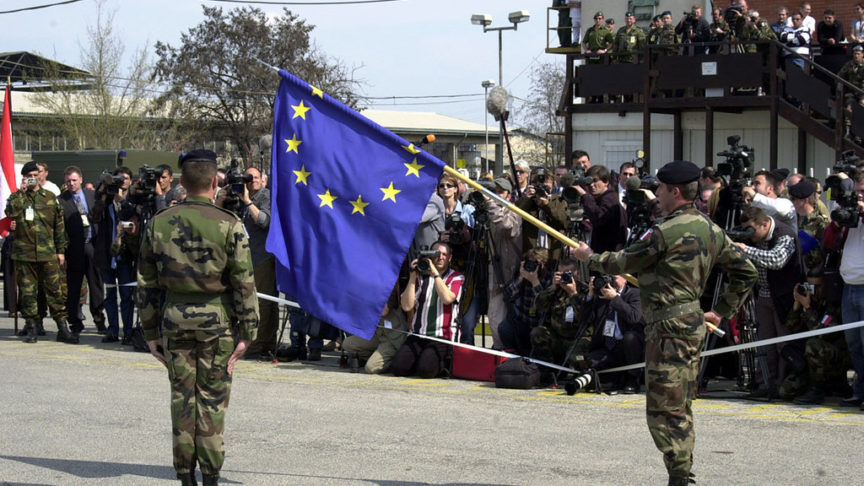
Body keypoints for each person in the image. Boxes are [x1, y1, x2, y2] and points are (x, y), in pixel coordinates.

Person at [572, 160, 757, 486]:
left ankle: (680, 475)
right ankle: (681, 472)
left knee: (663, 410)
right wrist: (722, 310)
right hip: (689, 324)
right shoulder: (711, 229)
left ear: (674, 191)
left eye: (660, 188)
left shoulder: (664, 232)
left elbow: (623, 260)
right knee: (680, 405)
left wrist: (590, 257)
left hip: (668, 329)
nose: (656, 194)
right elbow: (747, 271)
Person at [137, 149, 259, 486]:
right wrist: (248, 333)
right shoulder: (229, 224)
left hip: (174, 320)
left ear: (181, 182)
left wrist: (149, 332)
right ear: (214, 181)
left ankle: (184, 475)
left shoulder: (158, 223)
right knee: (212, 400)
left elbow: (146, 284)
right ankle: (210, 475)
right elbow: (244, 283)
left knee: (182, 398)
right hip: (217, 324)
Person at [735, 206, 804, 393]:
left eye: (752, 230)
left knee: (784, 343)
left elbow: (776, 260)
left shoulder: (784, 234)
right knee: (765, 343)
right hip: (763, 294)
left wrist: (745, 250)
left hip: (785, 297)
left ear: (764, 224)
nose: (750, 235)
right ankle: (765, 382)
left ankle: (784, 385)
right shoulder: (755, 238)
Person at [6, 161, 76, 344]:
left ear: (40, 176)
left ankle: (62, 327)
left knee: (55, 291)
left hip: (48, 253)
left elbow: (59, 227)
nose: (32, 179)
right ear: (25, 178)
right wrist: (20, 192)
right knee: (28, 293)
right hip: (25, 254)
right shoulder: (18, 198)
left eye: (35, 175)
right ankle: (31, 327)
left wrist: (61, 251)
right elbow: (10, 212)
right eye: (28, 176)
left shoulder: (51, 198)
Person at [822, 170, 864, 408]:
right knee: (855, 345)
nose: (858, 197)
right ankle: (859, 391)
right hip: (849, 286)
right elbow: (828, 243)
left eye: (863, 192)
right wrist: (837, 222)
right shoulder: (850, 216)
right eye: (856, 191)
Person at [393, 241, 464, 378]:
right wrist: (413, 275)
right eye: (437, 254)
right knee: (398, 368)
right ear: (430, 256)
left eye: (444, 254)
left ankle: (440, 364)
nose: (440, 257)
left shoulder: (456, 277)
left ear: (450, 258)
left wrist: (435, 274)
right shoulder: (421, 277)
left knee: (425, 371)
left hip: (443, 337)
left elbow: (447, 299)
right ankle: (421, 360)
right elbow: (407, 306)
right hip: (419, 334)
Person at [59, 165, 106, 338]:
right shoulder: (61, 200)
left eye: (73, 180)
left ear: (81, 180)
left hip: (93, 245)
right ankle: (75, 322)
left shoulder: (92, 196)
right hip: (74, 248)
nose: (71, 184)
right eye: (68, 181)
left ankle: (99, 320)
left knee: (96, 284)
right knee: (74, 287)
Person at [91, 166, 137, 344]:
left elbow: (134, 216)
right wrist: (103, 194)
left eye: (124, 178)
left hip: (125, 256)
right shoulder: (105, 199)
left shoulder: (132, 199)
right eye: (118, 178)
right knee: (110, 295)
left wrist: (122, 200)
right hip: (107, 255)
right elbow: (94, 216)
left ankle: (127, 332)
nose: (121, 181)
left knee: (126, 295)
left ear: (130, 180)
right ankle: (112, 330)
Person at [238, 166, 278, 360]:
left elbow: (264, 221)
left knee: (263, 302)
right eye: (248, 177)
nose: (251, 180)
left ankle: (261, 342)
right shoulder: (242, 195)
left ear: (262, 180)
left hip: (263, 257)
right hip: (247, 258)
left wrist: (247, 202)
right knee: (252, 302)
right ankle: (263, 342)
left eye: (255, 177)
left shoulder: (265, 196)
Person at [583, 274, 644, 393]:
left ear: (625, 279)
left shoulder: (635, 294)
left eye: (614, 278)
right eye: (608, 277)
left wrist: (615, 298)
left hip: (628, 347)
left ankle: (633, 378)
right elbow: (584, 319)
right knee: (591, 362)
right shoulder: (601, 296)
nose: (611, 281)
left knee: (630, 338)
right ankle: (614, 379)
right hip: (608, 347)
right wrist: (590, 295)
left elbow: (634, 317)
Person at [530, 258, 589, 372]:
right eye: (561, 274)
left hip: (579, 338)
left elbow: (586, 315)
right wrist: (552, 288)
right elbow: (539, 306)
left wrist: (573, 294)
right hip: (559, 337)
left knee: (576, 358)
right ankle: (549, 371)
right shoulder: (556, 290)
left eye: (568, 274)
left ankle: (582, 375)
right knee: (538, 333)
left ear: (578, 273)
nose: (565, 277)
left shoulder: (585, 290)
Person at [487, 178, 522, 349]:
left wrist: (490, 204)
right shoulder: (488, 210)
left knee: (497, 318)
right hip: (489, 272)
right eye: (493, 191)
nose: (496, 195)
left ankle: (502, 351)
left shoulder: (513, 211)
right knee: (493, 316)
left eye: (500, 192)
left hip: (507, 276)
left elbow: (505, 226)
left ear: (508, 195)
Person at [341, 287, 409, 373]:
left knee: (371, 368)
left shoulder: (388, 287)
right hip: (378, 335)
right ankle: (376, 356)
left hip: (392, 338)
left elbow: (384, 311)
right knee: (348, 344)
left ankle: (394, 359)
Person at [501, 248, 551, 356]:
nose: (532, 266)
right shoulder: (524, 275)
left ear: (544, 263)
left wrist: (535, 282)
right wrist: (521, 277)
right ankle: (513, 354)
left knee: (537, 334)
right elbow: (507, 294)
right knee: (504, 327)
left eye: (536, 263)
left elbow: (546, 305)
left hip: (541, 325)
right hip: (524, 322)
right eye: (530, 262)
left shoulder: (549, 278)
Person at [570, 165, 628, 253]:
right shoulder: (601, 198)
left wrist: (585, 195)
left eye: (595, 181)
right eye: (589, 182)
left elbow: (598, 217)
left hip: (608, 255)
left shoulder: (609, 199)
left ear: (606, 182)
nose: (591, 185)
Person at [788, 180, 828, 273]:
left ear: (805, 200)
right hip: (795, 269)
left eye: (794, 199)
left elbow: (824, 252)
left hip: (812, 271)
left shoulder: (820, 221)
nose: (791, 202)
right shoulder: (793, 219)